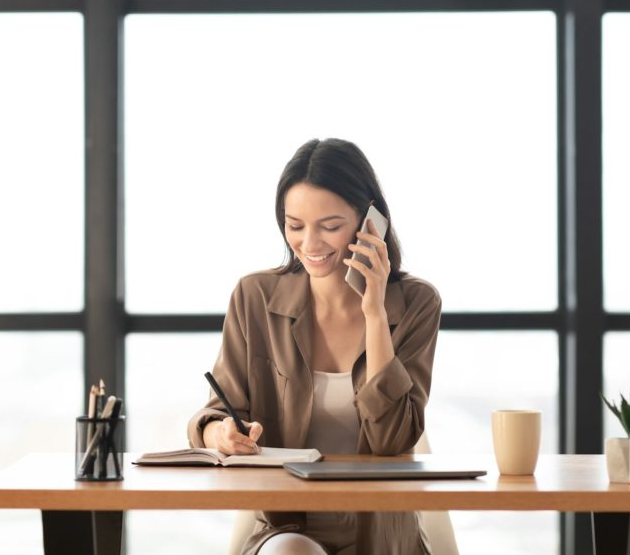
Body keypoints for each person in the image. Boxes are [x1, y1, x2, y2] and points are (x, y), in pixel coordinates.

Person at [187, 138, 442, 555]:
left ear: (370, 222)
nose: (309, 245)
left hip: (379, 535)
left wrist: (375, 313)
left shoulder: (416, 303)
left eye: (330, 226)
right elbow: (215, 413)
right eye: (295, 225)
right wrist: (222, 434)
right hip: (286, 528)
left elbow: (393, 441)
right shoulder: (256, 297)